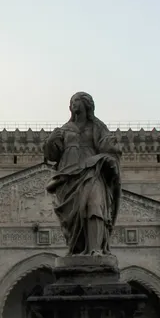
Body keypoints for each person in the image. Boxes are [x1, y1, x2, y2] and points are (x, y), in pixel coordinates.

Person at [43, 92, 122, 256]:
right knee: (75, 215)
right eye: (71, 102)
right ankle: (78, 248)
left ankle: (95, 249)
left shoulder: (97, 127)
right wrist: (51, 141)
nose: (73, 104)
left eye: (76, 101)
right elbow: (52, 156)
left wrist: (111, 153)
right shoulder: (64, 129)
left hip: (92, 171)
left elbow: (109, 148)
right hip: (68, 176)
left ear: (86, 104)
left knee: (95, 204)